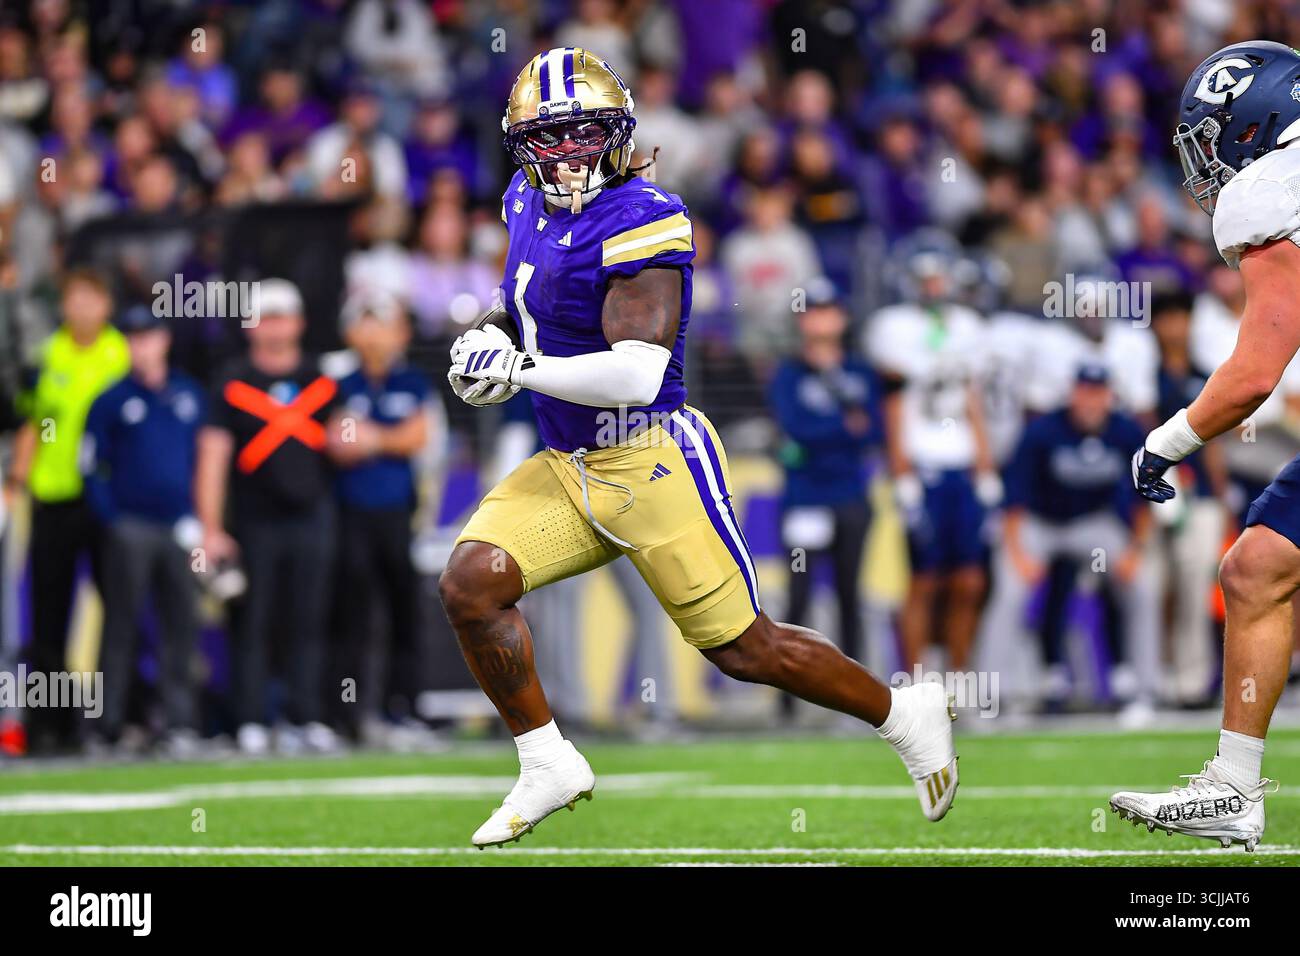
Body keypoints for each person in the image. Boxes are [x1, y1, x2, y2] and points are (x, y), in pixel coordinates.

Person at [439, 47, 958, 848]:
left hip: (651, 456)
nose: (566, 156)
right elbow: (521, 309)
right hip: (568, 461)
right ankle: (546, 759)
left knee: (748, 649)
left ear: (617, 134)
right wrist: (490, 339)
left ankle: (901, 713)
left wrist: (519, 368)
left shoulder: (645, 215)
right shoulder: (521, 201)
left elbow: (637, 374)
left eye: (582, 135)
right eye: (547, 139)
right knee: (471, 582)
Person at [1116, 40, 1300, 850]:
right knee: (1256, 565)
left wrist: (1164, 442)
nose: (1207, 160)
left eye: (1212, 135)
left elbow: (1256, 371)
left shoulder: (1271, 189)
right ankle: (1231, 788)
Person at [196, 278, 341, 755]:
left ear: (298, 322)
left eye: (283, 316)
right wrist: (212, 529)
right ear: (250, 324)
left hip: (313, 515)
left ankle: (307, 715)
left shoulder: (323, 379)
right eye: (266, 316)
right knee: (252, 622)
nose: (275, 326)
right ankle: (252, 719)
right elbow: (213, 456)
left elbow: (344, 440)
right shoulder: (232, 381)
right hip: (253, 522)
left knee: (309, 619)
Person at [978, 365, 1158, 717]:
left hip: (1093, 526)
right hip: (1039, 524)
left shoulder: (1124, 431)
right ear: (1073, 393)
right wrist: (1019, 556)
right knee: (1011, 591)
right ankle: (992, 695)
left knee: (1141, 585)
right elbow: (1013, 500)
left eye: (1098, 392)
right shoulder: (1043, 431)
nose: (1091, 401)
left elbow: (1145, 495)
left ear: (1109, 396)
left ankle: (1144, 691)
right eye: (1084, 391)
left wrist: (1134, 550)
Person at [866, 236, 1000, 673]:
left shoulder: (968, 327)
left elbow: (972, 399)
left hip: (961, 463)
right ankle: (917, 681)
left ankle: (959, 679)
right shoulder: (893, 325)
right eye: (925, 278)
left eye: (939, 277)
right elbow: (893, 400)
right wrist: (901, 472)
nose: (933, 286)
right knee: (922, 581)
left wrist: (985, 467)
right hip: (921, 465)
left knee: (968, 580)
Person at [8, 268, 128, 753]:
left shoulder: (121, 354)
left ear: (106, 306)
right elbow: (33, 425)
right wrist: (17, 482)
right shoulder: (47, 357)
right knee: (47, 616)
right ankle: (47, 726)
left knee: (117, 611)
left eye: (90, 298)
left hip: (110, 500)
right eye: (73, 299)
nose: (81, 308)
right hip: (54, 495)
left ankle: (112, 719)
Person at [82, 305, 204, 754]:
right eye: (133, 338)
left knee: (181, 625)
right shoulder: (110, 399)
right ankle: (110, 725)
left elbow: (205, 461)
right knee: (121, 626)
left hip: (179, 527)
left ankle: (179, 724)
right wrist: (111, 519)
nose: (142, 346)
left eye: (148, 336)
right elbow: (90, 465)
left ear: (164, 340)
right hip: (131, 526)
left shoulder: (188, 394)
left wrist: (201, 519)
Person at [327, 290, 432, 742]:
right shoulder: (338, 383)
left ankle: (401, 708)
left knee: (403, 614)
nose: (374, 335)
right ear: (352, 332)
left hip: (396, 515)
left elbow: (417, 437)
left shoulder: (412, 382)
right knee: (352, 617)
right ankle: (349, 714)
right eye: (366, 323)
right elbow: (338, 442)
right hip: (350, 515)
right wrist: (388, 438)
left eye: (382, 324)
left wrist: (372, 439)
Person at [769, 278, 880, 673]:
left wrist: (828, 432)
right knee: (798, 598)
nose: (819, 321)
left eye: (827, 311)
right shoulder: (788, 373)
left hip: (850, 495)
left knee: (851, 594)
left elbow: (872, 430)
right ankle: (788, 698)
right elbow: (793, 429)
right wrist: (842, 427)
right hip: (805, 496)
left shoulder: (858, 370)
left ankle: (857, 689)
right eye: (812, 312)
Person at [1148, 291, 1230, 706]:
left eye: (1181, 318)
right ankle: (1153, 676)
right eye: (1167, 318)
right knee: (1155, 585)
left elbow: (1214, 442)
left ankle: (1191, 680)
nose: (1175, 327)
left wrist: (1221, 495)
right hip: (1150, 491)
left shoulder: (1204, 376)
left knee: (1195, 586)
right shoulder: (1146, 376)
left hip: (1196, 493)